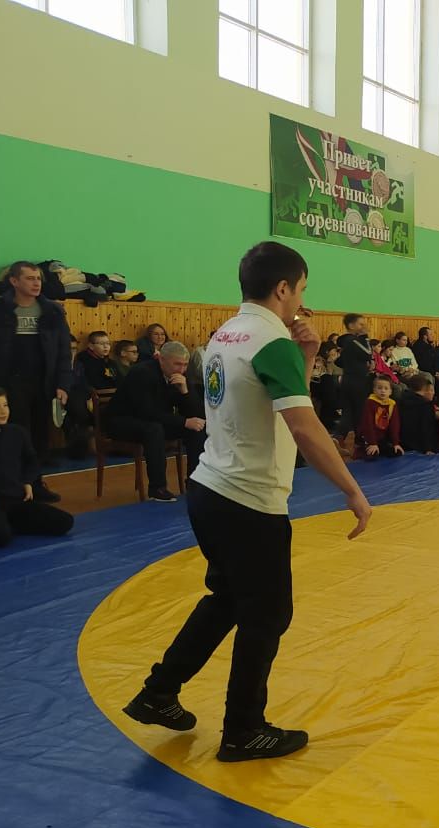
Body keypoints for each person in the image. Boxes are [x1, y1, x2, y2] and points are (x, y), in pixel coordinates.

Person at [122, 241, 372, 763]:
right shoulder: (269, 339)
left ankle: (158, 692)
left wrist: (304, 355)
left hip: (210, 488)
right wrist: (351, 490)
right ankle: (243, 729)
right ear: (283, 288)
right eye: (302, 289)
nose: (302, 300)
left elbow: (284, 398)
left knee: (228, 600)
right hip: (248, 501)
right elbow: (304, 426)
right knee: (268, 613)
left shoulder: (225, 334)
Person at [0, 261, 71, 501]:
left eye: (38, 278)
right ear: (14, 281)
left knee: (41, 436)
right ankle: (14, 484)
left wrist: (63, 384)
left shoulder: (52, 310)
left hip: (44, 381)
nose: (36, 282)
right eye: (29, 278)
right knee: (17, 434)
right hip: (10, 382)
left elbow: (62, 351)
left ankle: (36, 483)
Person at [0, 384, 74, 548]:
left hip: (17, 500)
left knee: (65, 522)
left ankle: (10, 523)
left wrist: (27, 481)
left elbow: (32, 461)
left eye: (5, 405)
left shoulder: (17, 432)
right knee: (0, 538)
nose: (3, 411)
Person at [104, 341, 207, 503]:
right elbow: (145, 411)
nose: (182, 369)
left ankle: (195, 482)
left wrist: (185, 392)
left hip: (154, 420)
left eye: (185, 365)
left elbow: (197, 414)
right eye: (177, 364)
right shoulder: (142, 373)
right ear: (161, 360)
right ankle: (157, 488)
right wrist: (183, 422)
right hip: (121, 421)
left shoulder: (181, 376)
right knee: (154, 429)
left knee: (198, 428)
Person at [333, 313, 373, 443]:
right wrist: (365, 337)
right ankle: (360, 438)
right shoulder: (353, 340)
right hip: (357, 380)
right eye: (361, 324)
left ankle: (339, 437)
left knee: (348, 411)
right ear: (351, 326)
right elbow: (368, 353)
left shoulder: (348, 342)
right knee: (359, 410)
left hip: (348, 379)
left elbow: (339, 361)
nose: (364, 327)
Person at [355, 375, 403, 459]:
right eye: (379, 388)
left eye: (386, 388)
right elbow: (367, 424)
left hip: (382, 438)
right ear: (374, 390)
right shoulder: (370, 402)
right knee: (371, 455)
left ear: (390, 391)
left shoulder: (392, 404)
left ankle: (380, 448)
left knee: (396, 452)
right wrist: (372, 443)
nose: (383, 391)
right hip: (368, 437)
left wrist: (396, 443)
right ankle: (362, 448)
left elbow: (394, 425)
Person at [397, 371, 439, 454]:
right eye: (431, 390)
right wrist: (428, 449)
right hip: (420, 446)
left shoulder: (401, 400)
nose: (433, 393)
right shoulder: (425, 405)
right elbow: (426, 428)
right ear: (424, 389)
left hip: (404, 443)